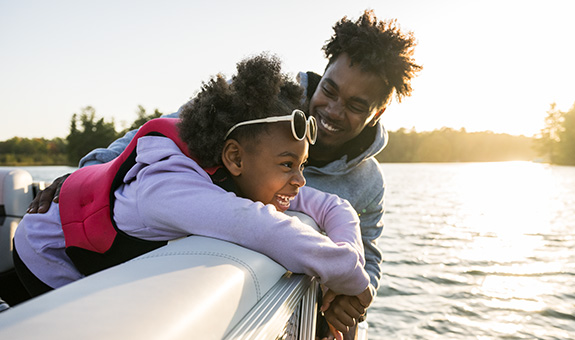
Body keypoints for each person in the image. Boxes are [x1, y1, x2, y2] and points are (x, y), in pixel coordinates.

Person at [27, 9, 421, 339]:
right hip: (112, 271)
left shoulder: (367, 183)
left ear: (378, 113)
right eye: (330, 90)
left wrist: (351, 301)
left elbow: (363, 251)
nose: (333, 111)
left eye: (355, 104)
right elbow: (168, 130)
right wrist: (92, 174)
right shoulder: (256, 106)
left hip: (285, 304)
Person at [13, 54, 370, 303]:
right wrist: (350, 277)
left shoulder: (252, 173)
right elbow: (262, 229)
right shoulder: (169, 189)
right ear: (234, 157)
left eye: (302, 165)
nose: (300, 181)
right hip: (48, 250)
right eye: (288, 164)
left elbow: (334, 206)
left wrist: (351, 257)